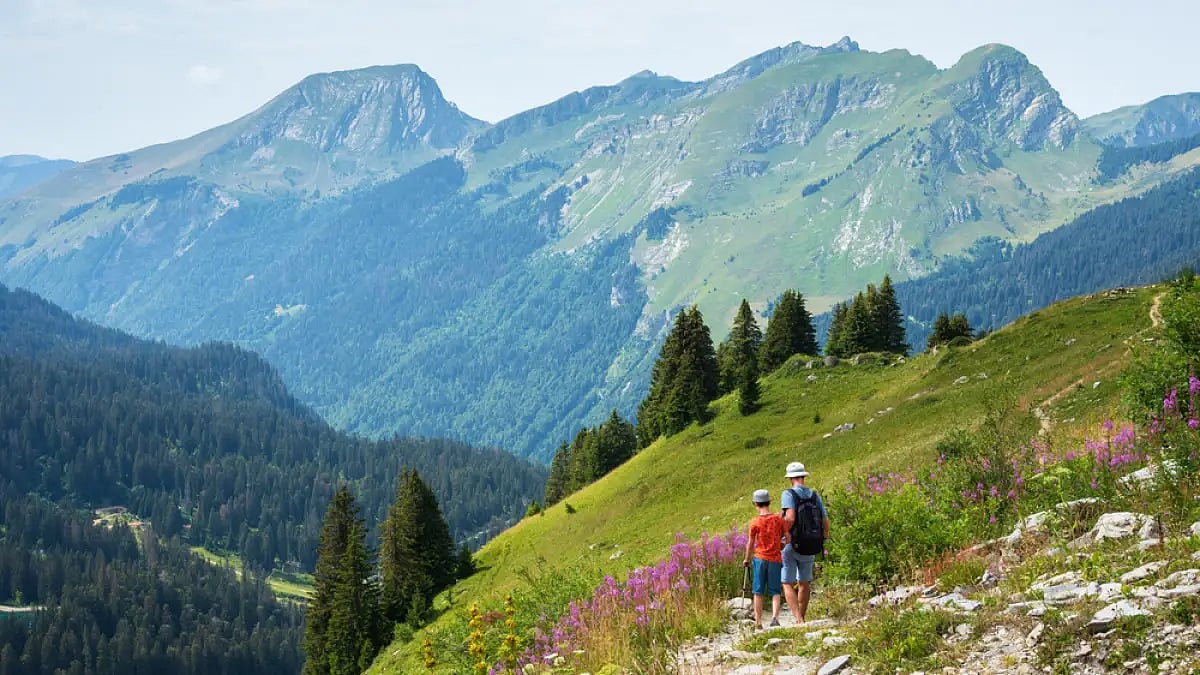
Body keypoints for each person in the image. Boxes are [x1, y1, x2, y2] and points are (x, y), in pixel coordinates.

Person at [780, 461, 829, 624]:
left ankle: (798, 619)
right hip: (811, 543)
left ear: (790, 479)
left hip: (792, 543)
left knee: (787, 582)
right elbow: (825, 520)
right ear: (803, 477)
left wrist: (783, 535)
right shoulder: (814, 496)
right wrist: (822, 538)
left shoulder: (788, 494)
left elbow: (791, 517)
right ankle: (802, 617)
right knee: (804, 581)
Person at [742, 489, 787, 629]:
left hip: (760, 558)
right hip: (775, 559)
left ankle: (758, 622)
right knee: (775, 590)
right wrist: (780, 546)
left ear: (755, 503)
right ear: (769, 502)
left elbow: (750, 543)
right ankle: (775, 618)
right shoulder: (778, 519)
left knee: (758, 590)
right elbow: (788, 538)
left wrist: (746, 559)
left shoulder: (755, 522)